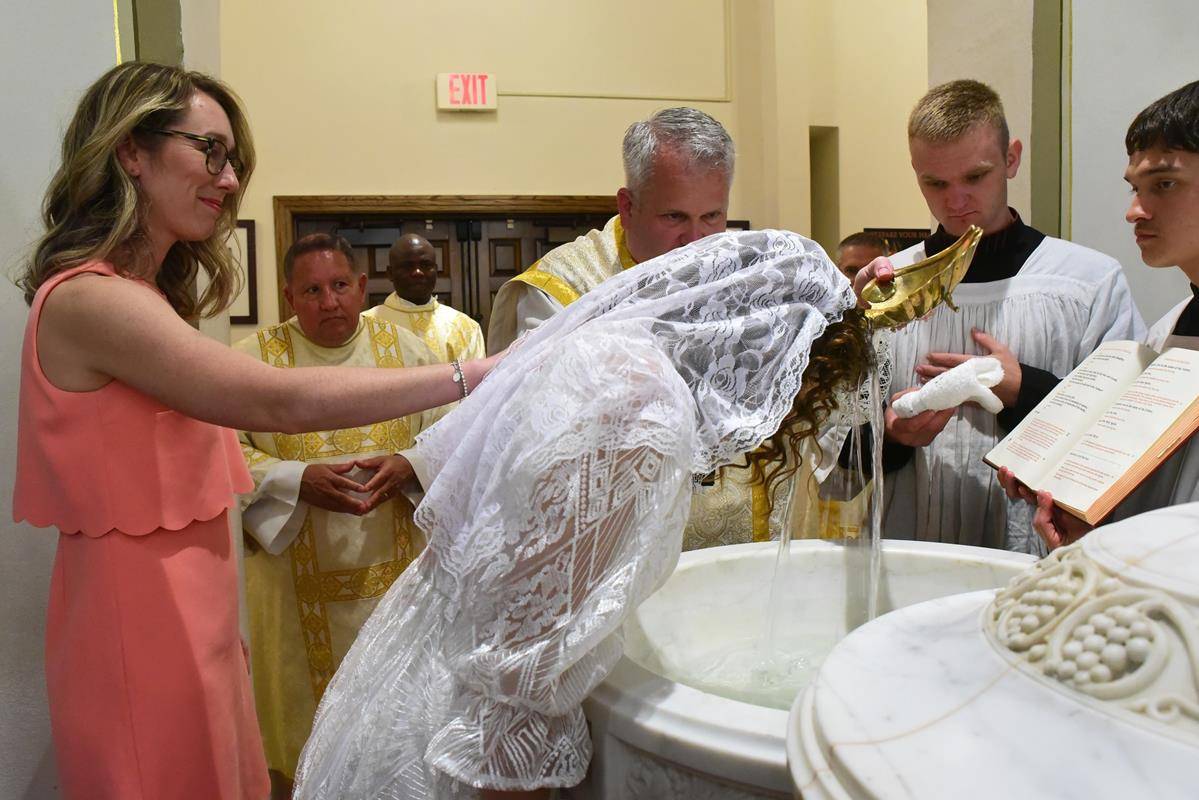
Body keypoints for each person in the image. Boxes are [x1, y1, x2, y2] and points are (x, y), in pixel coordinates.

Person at [11, 62, 498, 800]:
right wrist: (478, 374)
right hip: (134, 626)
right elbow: (275, 403)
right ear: (130, 152)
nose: (229, 177)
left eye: (232, 158)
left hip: (190, 614)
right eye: (208, 150)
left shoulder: (141, 299)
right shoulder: (89, 300)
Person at [293, 230, 882, 800]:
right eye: (803, 393)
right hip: (459, 738)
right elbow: (519, 665)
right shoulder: (643, 414)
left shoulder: (618, 357)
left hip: (426, 656)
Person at [875, 79, 1144, 553]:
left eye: (975, 177)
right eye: (935, 183)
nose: (955, 202)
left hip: (1036, 549)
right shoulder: (885, 289)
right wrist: (893, 437)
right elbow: (833, 446)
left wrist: (1024, 389)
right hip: (910, 544)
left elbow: (1128, 432)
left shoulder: (1087, 282)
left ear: (1011, 159)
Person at [234, 233, 448, 792]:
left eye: (337, 287)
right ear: (288, 296)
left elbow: (452, 434)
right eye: (311, 290)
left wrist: (410, 462)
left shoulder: (410, 355)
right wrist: (293, 478)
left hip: (398, 578)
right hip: (291, 587)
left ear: (360, 287)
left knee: (394, 732)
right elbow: (221, 450)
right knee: (304, 739)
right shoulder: (253, 364)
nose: (328, 302)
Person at [999, 80, 1199, 550]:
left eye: (1164, 185)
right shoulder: (1165, 333)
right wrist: (1093, 535)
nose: (1135, 211)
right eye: (1135, 188)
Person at [363, 232, 485, 363]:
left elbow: (479, 381)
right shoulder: (365, 325)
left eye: (426, 265)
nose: (417, 272)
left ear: (436, 270)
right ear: (390, 273)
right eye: (407, 266)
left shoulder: (465, 327)